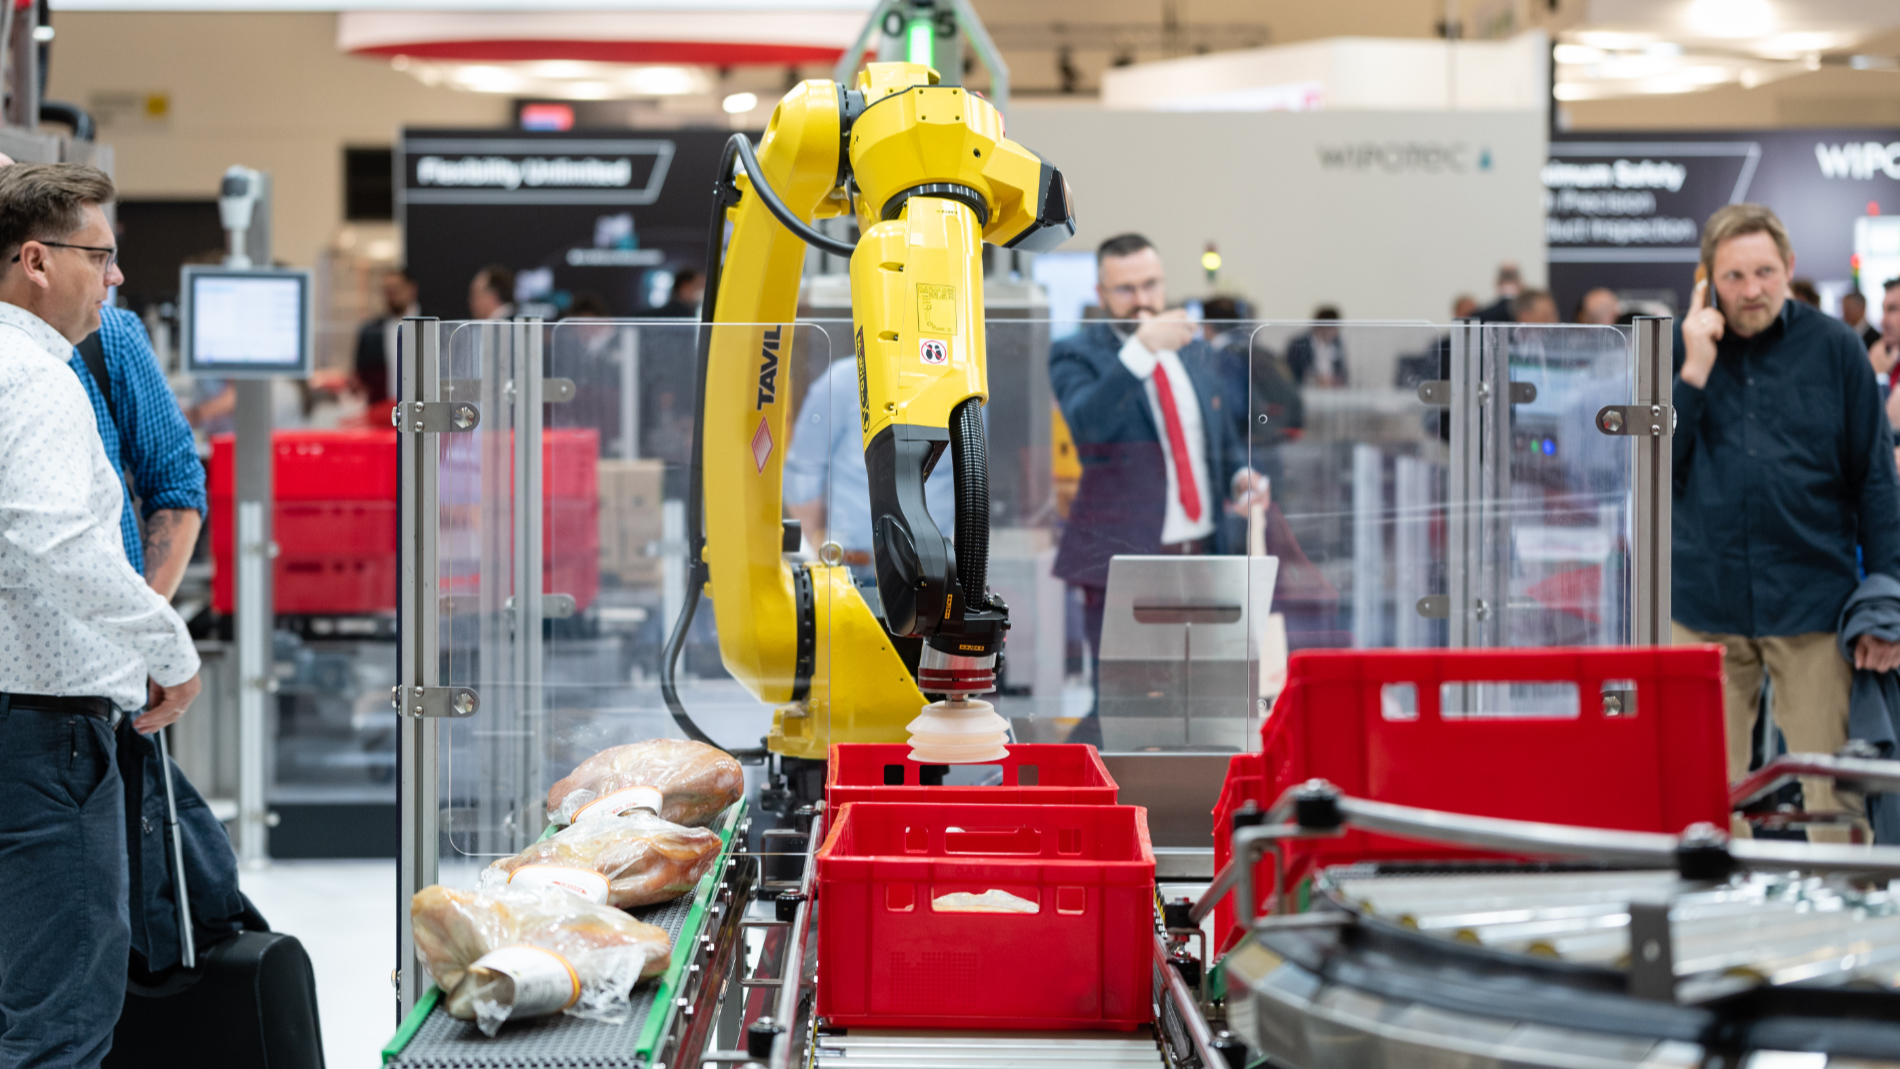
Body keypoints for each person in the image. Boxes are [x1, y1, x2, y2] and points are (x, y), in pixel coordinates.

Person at [0, 162, 201, 1069]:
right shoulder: (37, 379)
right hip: (43, 736)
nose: (116, 279)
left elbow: (171, 487)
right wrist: (164, 641)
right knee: (61, 1019)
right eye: (101, 256)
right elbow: (59, 540)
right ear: (36, 260)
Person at [1670, 203, 1900, 842]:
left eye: (1765, 273)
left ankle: (1848, 930)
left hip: (1811, 606)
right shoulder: (1675, 351)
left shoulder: (1835, 351)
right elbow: (1653, 470)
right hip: (1701, 604)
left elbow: (1876, 483)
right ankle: (1721, 931)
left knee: (1835, 797)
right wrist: (1693, 371)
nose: (1751, 291)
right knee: (1702, 801)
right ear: (1708, 280)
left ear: (1790, 267)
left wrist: (1887, 599)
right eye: (1735, 276)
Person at [1049, 233, 1267, 717]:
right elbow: (1088, 427)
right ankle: (1118, 788)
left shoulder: (1193, 351)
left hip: (1201, 553)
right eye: (1125, 289)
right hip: (1123, 557)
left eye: (1150, 285)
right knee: (1124, 701)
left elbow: (1220, 441)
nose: (1141, 300)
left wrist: (1239, 477)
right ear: (1101, 292)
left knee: (1200, 698)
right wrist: (1141, 350)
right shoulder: (1076, 353)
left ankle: (1190, 793)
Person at [783, 356, 956, 575]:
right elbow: (802, 476)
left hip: (928, 570)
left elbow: (970, 482)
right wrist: (824, 556)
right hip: (852, 567)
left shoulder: (956, 385)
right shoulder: (842, 382)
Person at [353, 265, 418, 406]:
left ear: (411, 289)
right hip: (384, 410)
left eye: (396, 289)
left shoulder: (433, 326)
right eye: (387, 291)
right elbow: (360, 376)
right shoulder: (370, 331)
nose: (392, 295)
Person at [1285, 305, 1346, 386]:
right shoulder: (1299, 345)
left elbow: (1343, 373)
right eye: (1329, 328)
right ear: (1319, 327)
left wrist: (1336, 380)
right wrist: (1314, 379)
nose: (1333, 333)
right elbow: (1290, 373)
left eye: (1335, 328)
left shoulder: (1337, 344)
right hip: (1305, 390)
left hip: (1332, 392)